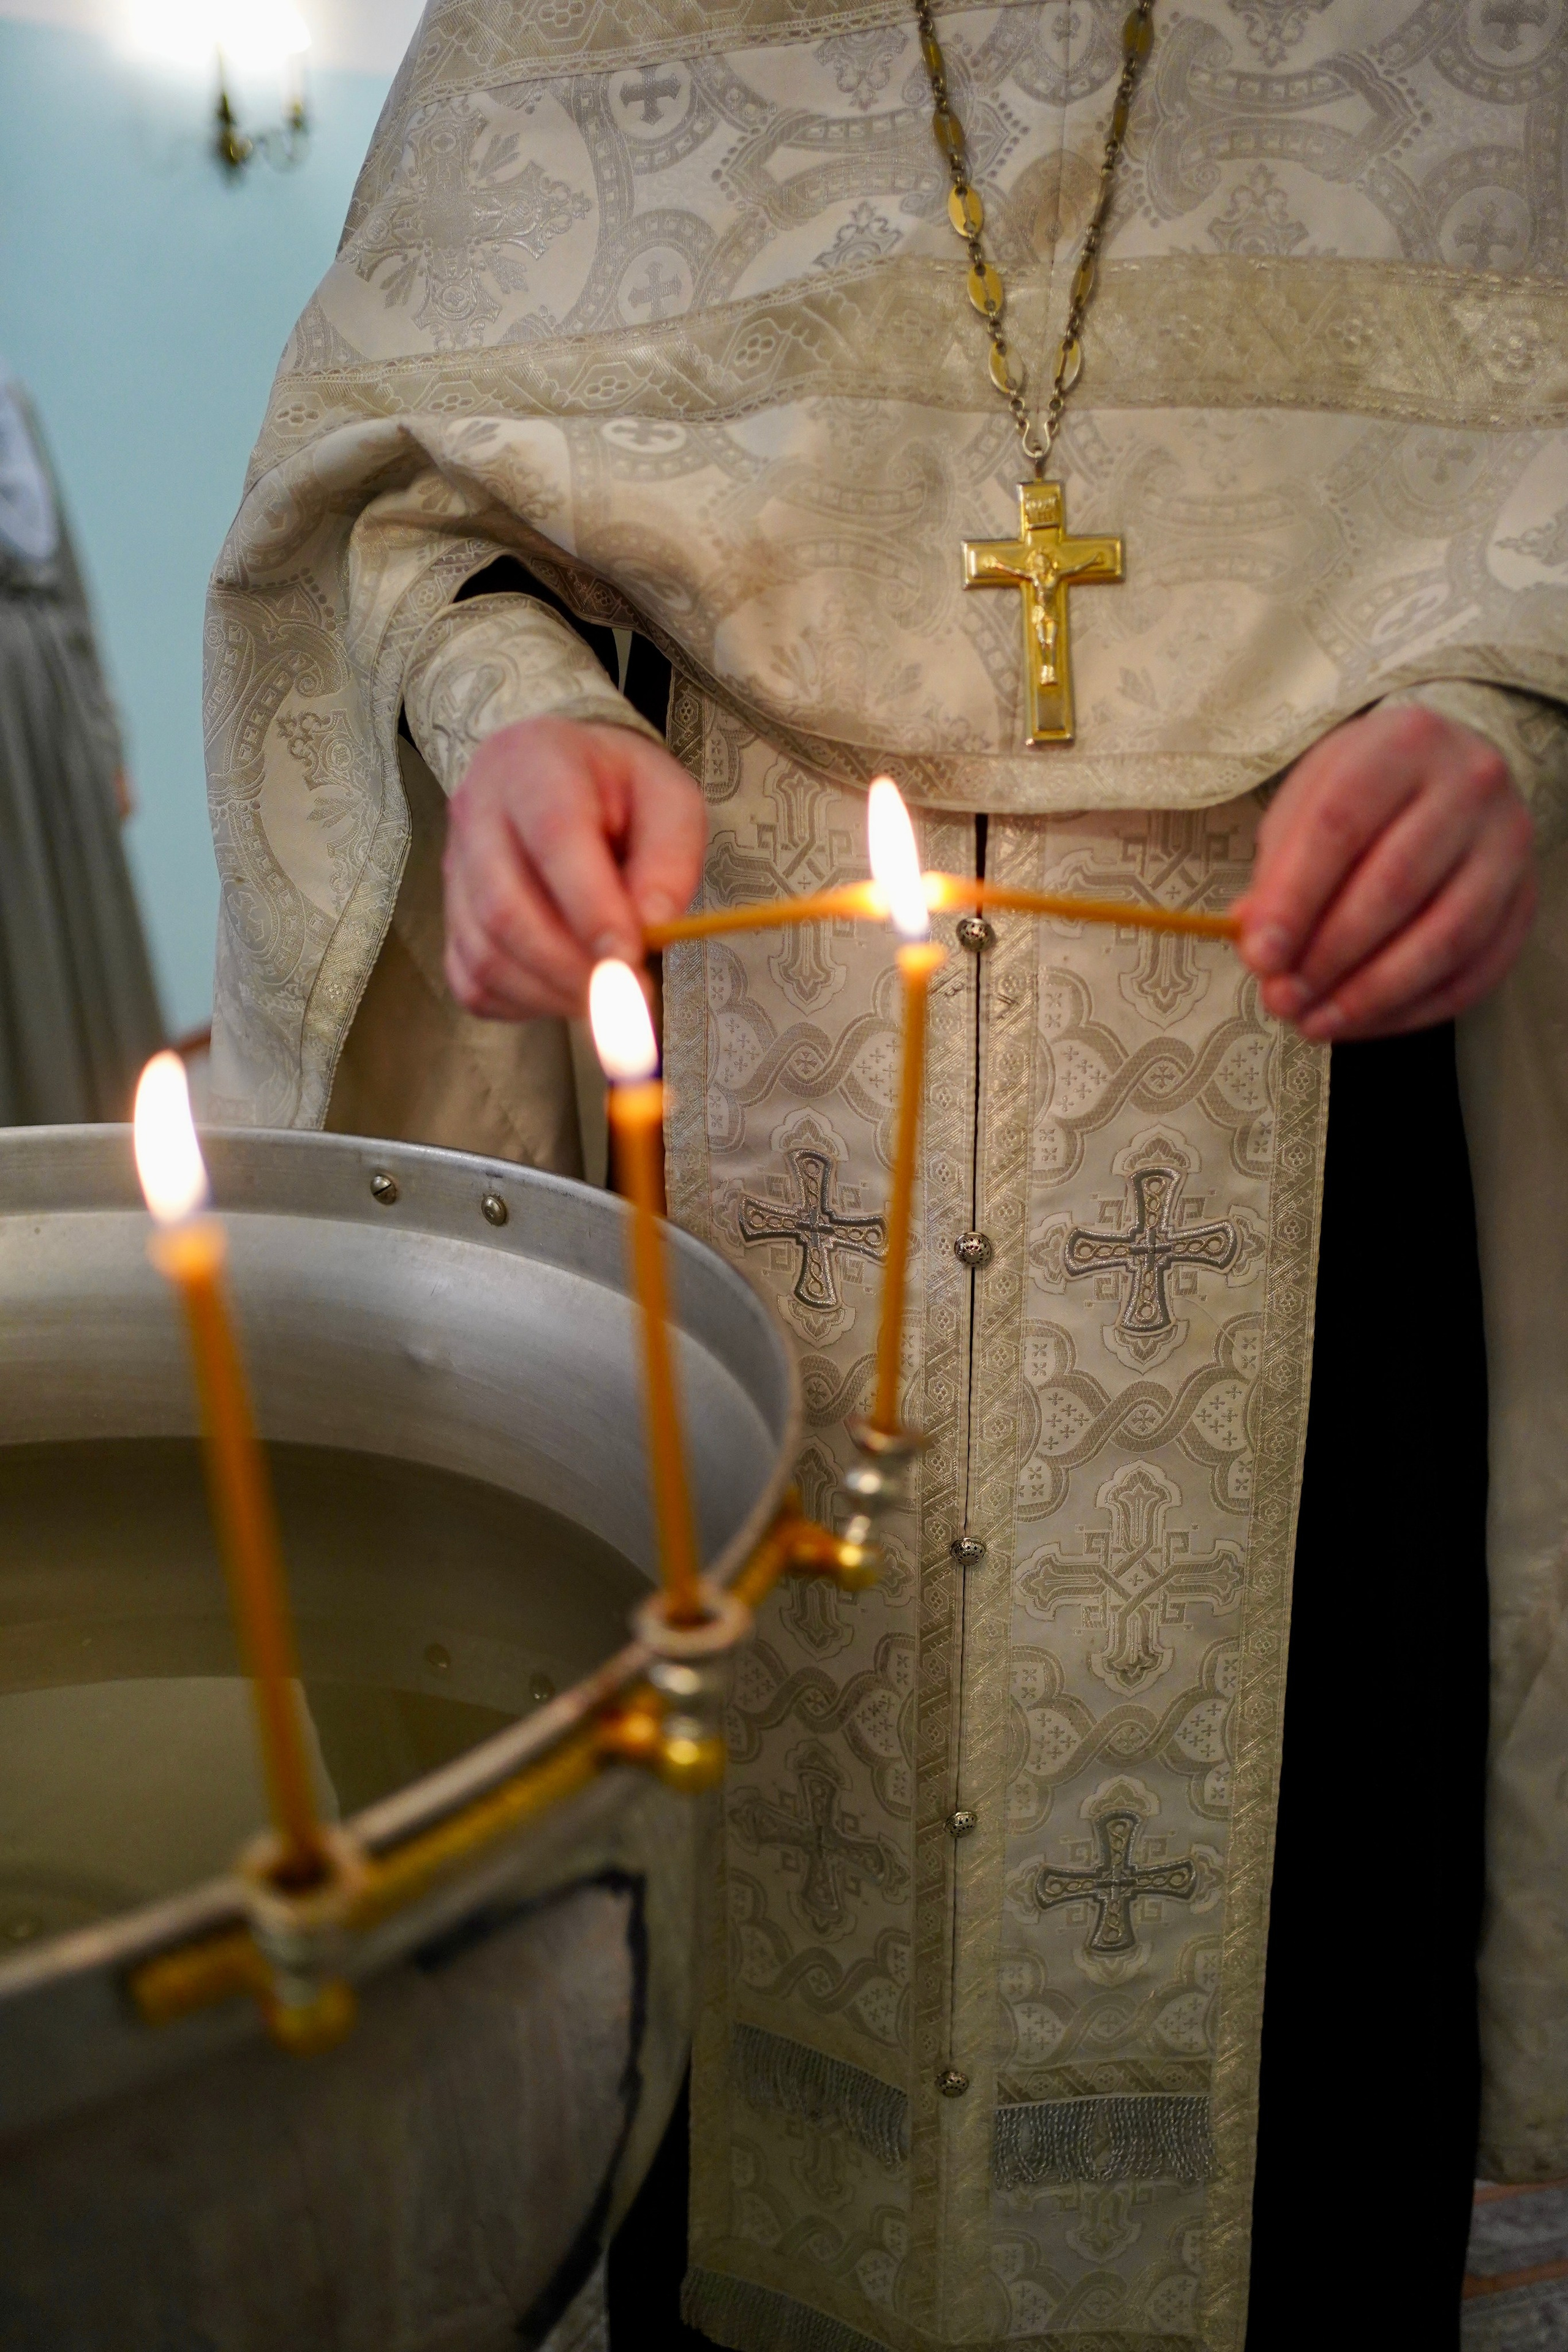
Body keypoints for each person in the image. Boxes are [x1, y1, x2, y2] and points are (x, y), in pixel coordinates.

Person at [205, 4, 1568, 2344]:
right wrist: (510, 718)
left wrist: (1511, 714)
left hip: (1335, 1196)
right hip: (719, 1143)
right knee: (718, 1993)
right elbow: (397, 507)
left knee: (1302, 2077)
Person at [0, 364, 163, 1120]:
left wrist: (104, 736)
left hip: (46, 701)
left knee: (89, 943)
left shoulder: (11, 394)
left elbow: (65, 575)